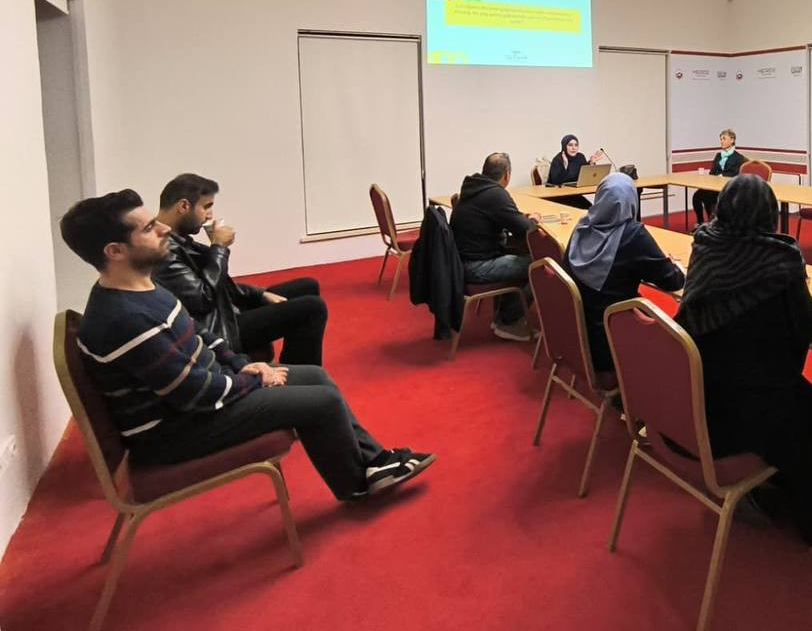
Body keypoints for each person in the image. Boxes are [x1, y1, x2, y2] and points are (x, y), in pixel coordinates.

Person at [60, 190, 433, 500]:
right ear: (115, 251)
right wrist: (254, 379)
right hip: (174, 432)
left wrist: (240, 364)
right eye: (148, 228)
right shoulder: (123, 319)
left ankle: (373, 463)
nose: (163, 228)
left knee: (316, 377)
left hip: (196, 402)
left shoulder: (141, 285)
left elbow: (201, 334)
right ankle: (357, 485)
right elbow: (195, 393)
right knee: (322, 401)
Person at [676, 174, 812, 547]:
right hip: (754, 397)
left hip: (701, 389)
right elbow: (809, 328)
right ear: (769, 214)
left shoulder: (705, 245)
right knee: (803, 397)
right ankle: (805, 514)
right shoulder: (782, 260)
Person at [153, 173, 328, 365]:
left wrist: (259, 294)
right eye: (206, 207)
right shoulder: (161, 249)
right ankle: (302, 378)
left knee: (307, 286)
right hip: (216, 328)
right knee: (313, 308)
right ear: (184, 206)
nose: (210, 215)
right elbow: (203, 299)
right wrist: (219, 247)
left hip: (223, 311)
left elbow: (216, 284)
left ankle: (299, 367)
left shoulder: (177, 238)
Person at [565, 172, 685, 370]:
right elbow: (673, 281)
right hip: (613, 344)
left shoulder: (583, 226)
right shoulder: (633, 235)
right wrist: (673, 265)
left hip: (578, 336)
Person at [450, 152, 540, 342]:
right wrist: (533, 219)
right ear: (507, 175)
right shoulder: (495, 194)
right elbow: (526, 230)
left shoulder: (474, 188)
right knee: (539, 265)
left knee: (519, 253)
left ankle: (504, 315)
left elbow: (501, 219)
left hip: (462, 262)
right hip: (476, 267)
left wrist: (516, 217)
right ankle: (508, 321)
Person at [691, 128, 745, 226]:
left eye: (724, 139)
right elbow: (712, 172)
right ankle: (700, 222)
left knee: (709, 198)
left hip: (727, 189)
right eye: (720, 139)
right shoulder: (718, 156)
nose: (721, 141)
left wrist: (721, 176)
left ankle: (713, 222)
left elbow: (735, 175)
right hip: (714, 187)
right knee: (697, 196)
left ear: (732, 140)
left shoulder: (739, 158)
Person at [546, 134, 600, 209]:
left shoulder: (580, 157)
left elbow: (584, 175)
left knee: (590, 208)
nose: (574, 148)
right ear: (564, 146)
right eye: (570, 145)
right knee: (583, 209)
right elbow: (556, 182)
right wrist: (565, 167)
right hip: (558, 196)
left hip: (573, 194)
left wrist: (591, 163)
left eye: (576, 145)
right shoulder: (558, 159)